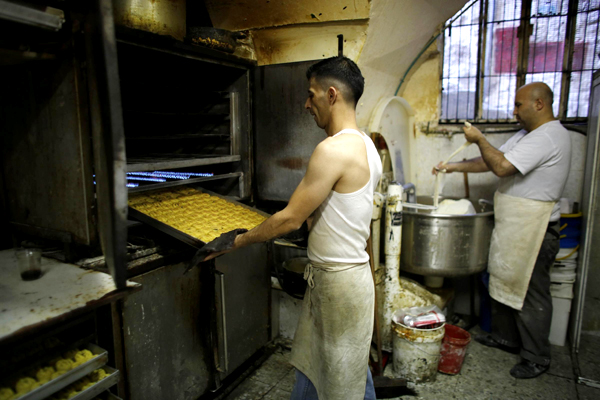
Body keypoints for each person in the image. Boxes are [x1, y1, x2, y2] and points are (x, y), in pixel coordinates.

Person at [205, 56, 382, 399]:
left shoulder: (332, 150)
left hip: (339, 285)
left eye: (311, 94)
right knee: (326, 369)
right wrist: (371, 275)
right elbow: (361, 221)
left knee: (341, 381)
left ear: (331, 95)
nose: (306, 103)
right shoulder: (367, 145)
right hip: (348, 280)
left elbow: (290, 218)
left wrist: (237, 241)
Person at [432, 82, 571, 379]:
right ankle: (505, 337)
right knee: (504, 281)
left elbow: (503, 167)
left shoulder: (549, 137)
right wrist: (451, 167)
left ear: (539, 104)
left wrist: (479, 137)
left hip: (536, 229)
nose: (514, 111)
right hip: (516, 226)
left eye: (519, 105)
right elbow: (488, 161)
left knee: (530, 293)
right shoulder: (527, 136)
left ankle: (536, 357)